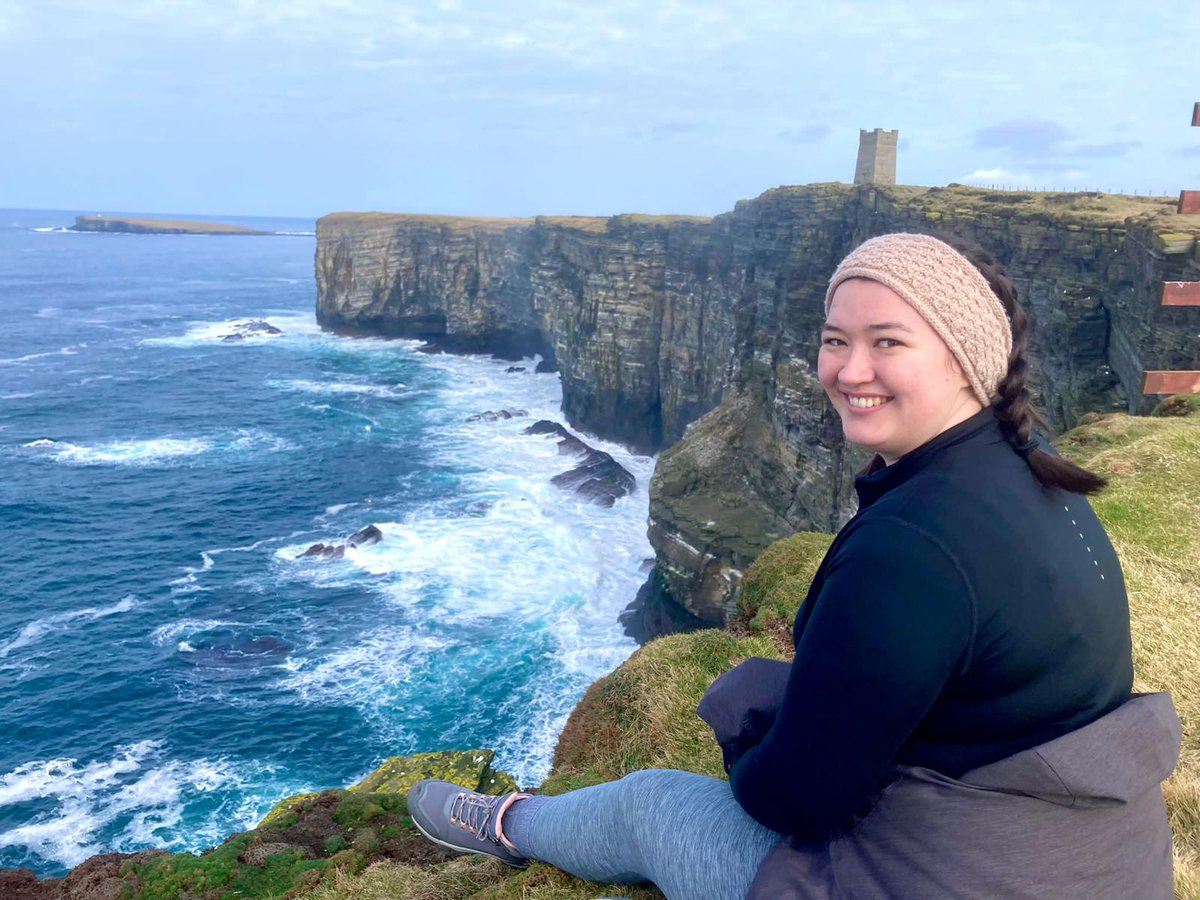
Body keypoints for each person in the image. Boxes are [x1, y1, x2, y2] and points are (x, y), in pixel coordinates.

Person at [408, 233, 1181, 899]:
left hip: (973, 876)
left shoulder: (913, 548)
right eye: (835, 339)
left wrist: (745, 742)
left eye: (888, 341)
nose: (849, 370)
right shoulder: (1032, 465)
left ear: (965, 356)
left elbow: (799, 801)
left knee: (651, 805)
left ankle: (510, 824)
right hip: (1098, 859)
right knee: (773, 689)